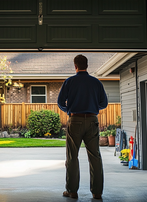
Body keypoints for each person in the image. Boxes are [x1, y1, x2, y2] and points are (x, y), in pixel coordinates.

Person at [57, 54, 108, 200]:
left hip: (75, 120)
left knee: (72, 157)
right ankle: (97, 192)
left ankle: (72, 191)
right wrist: (92, 107)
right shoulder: (96, 83)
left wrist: (69, 111)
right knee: (95, 157)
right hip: (92, 120)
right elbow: (104, 104)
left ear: (75, 66)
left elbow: (60, 101)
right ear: (87, 65)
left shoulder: (69, 82)